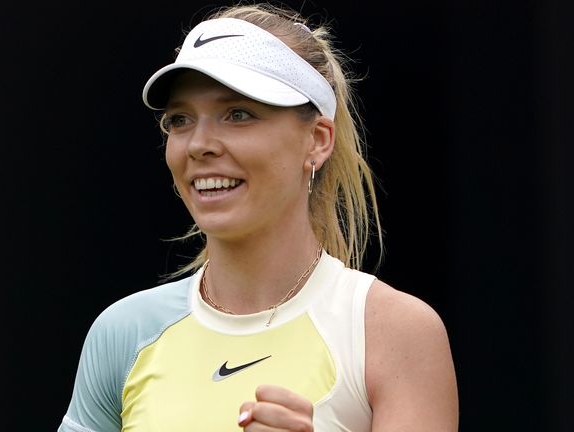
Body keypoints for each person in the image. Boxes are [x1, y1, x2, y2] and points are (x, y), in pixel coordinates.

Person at [58, 3, 458, 431]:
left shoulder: (396, 333)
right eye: (180, 120)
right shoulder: (123, 332)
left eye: (239, 114)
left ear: (318, 140)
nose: (199, 144)